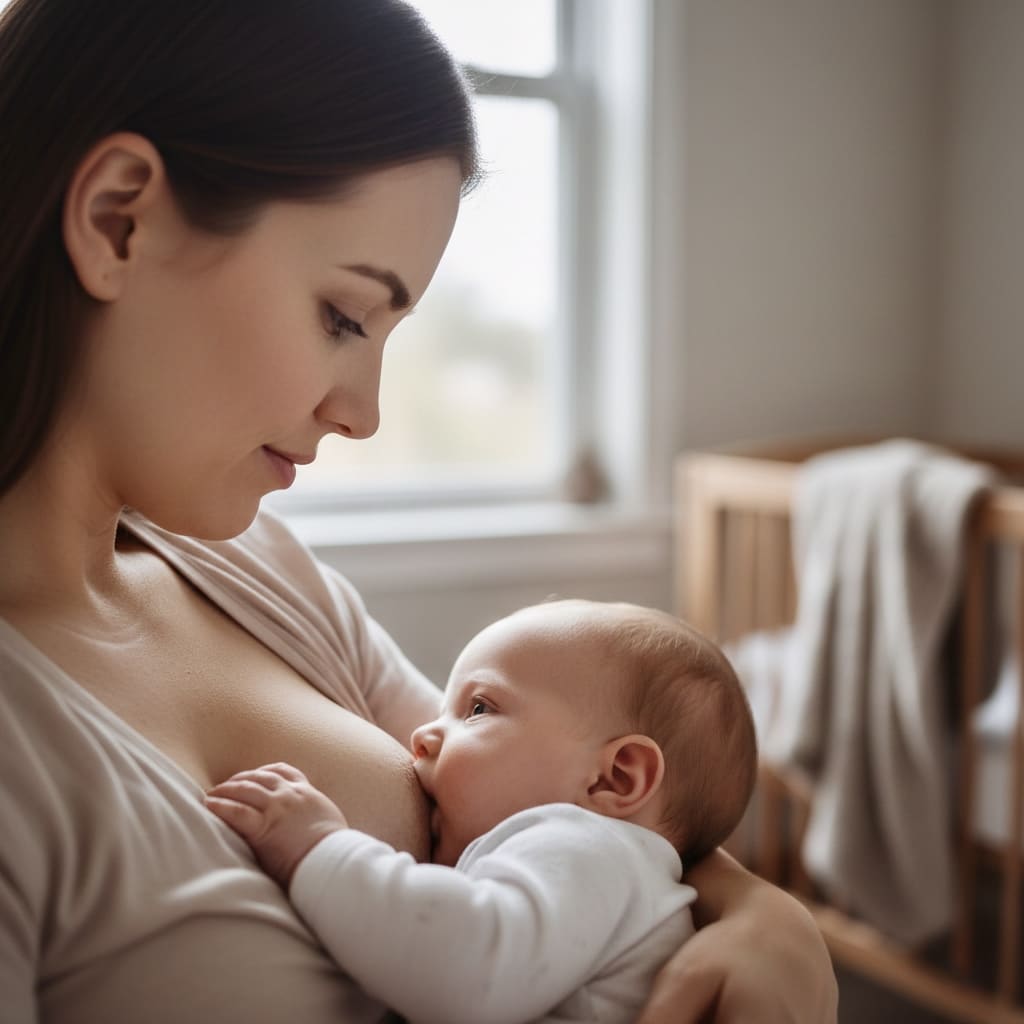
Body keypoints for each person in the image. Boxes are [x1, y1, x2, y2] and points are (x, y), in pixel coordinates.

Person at [0, 1, 837, 1022]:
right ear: (116, 219)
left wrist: (761, 912)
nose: (362, 411)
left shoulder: (263, 571)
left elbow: (578, 799)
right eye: (344, 315)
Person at [206, 599, 758, 1023]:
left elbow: (466, 965)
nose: (422, 734)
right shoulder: (606, 866)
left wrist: (319, 848)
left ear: (614, 777)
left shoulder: (585, 847)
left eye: (477, 708)